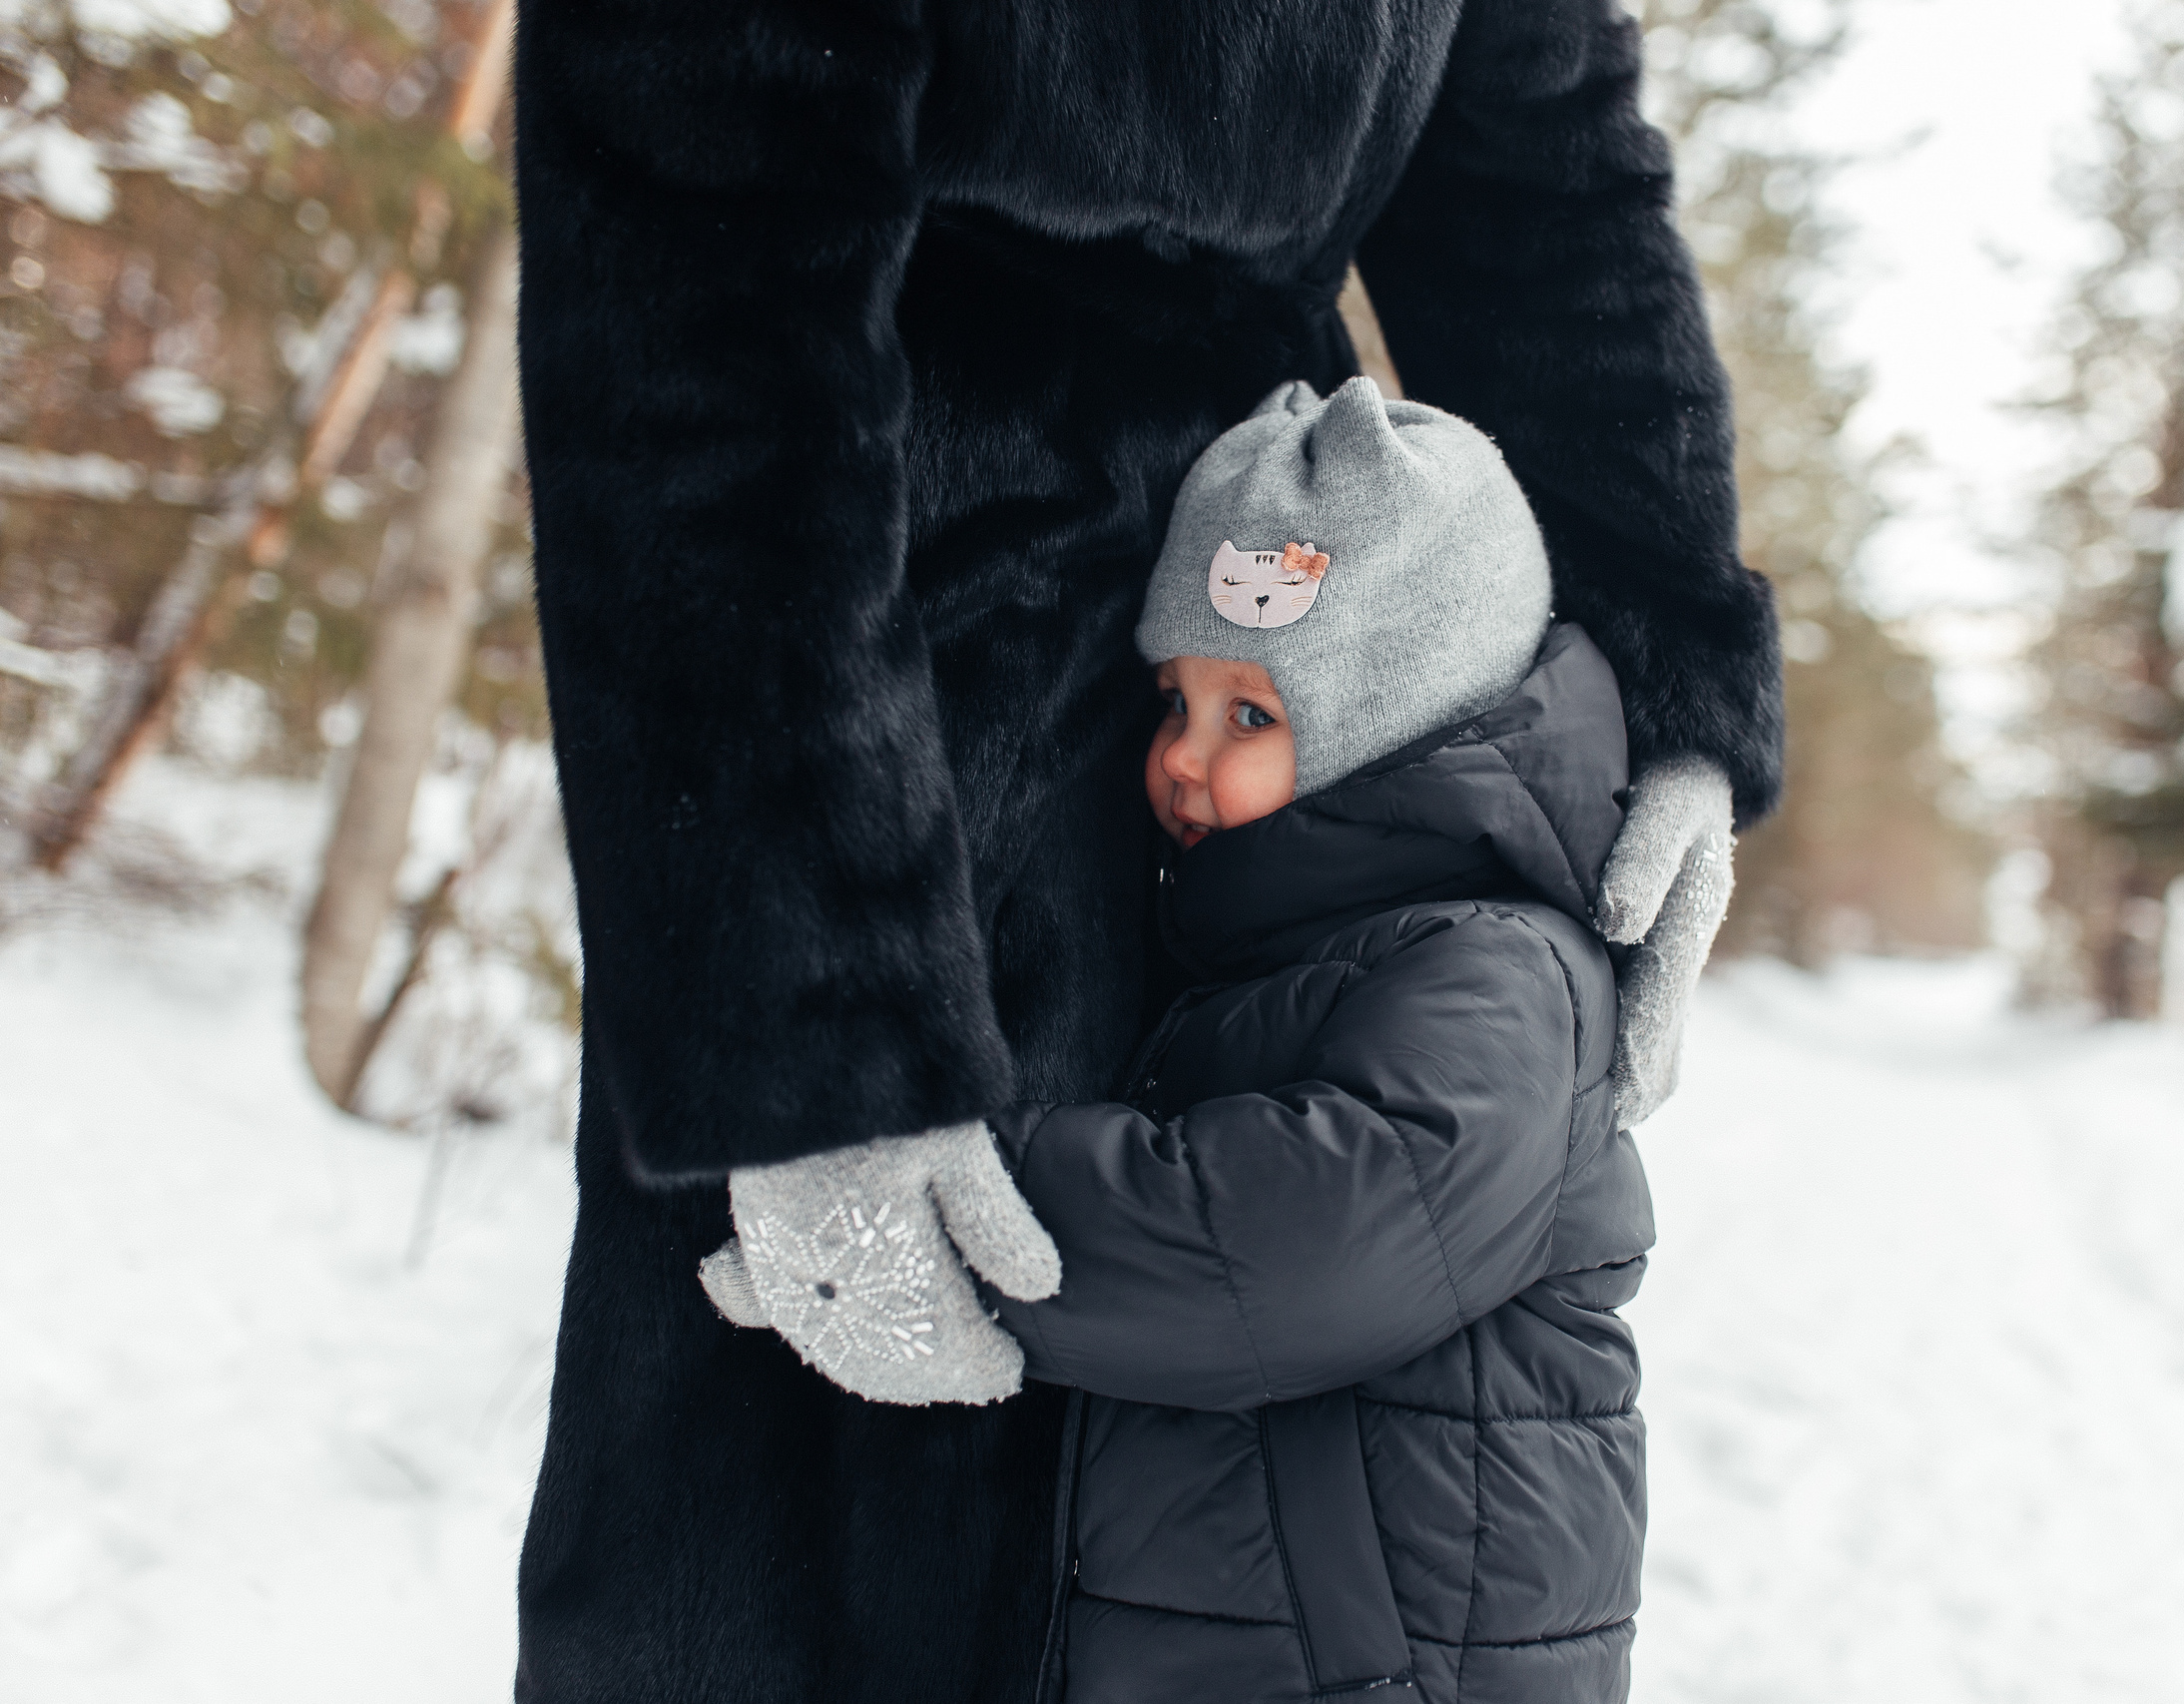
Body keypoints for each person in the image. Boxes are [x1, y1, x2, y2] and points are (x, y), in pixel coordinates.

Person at [510, 0, 1783, 1694]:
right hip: (865, 676)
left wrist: (1658, 672)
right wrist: (812, 1019)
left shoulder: (1442, 939)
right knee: (806, 1572)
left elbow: (1547, 183)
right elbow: (689, 283)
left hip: (1298, 629)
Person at [704, 380, 1653, 1702]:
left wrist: (948, 1214)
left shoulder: (1494, 969)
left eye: (1251, 715)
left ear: (1399, 721)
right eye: (1175, 702)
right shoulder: (1277, 952)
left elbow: (1297, 1244)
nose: (1185, 760)